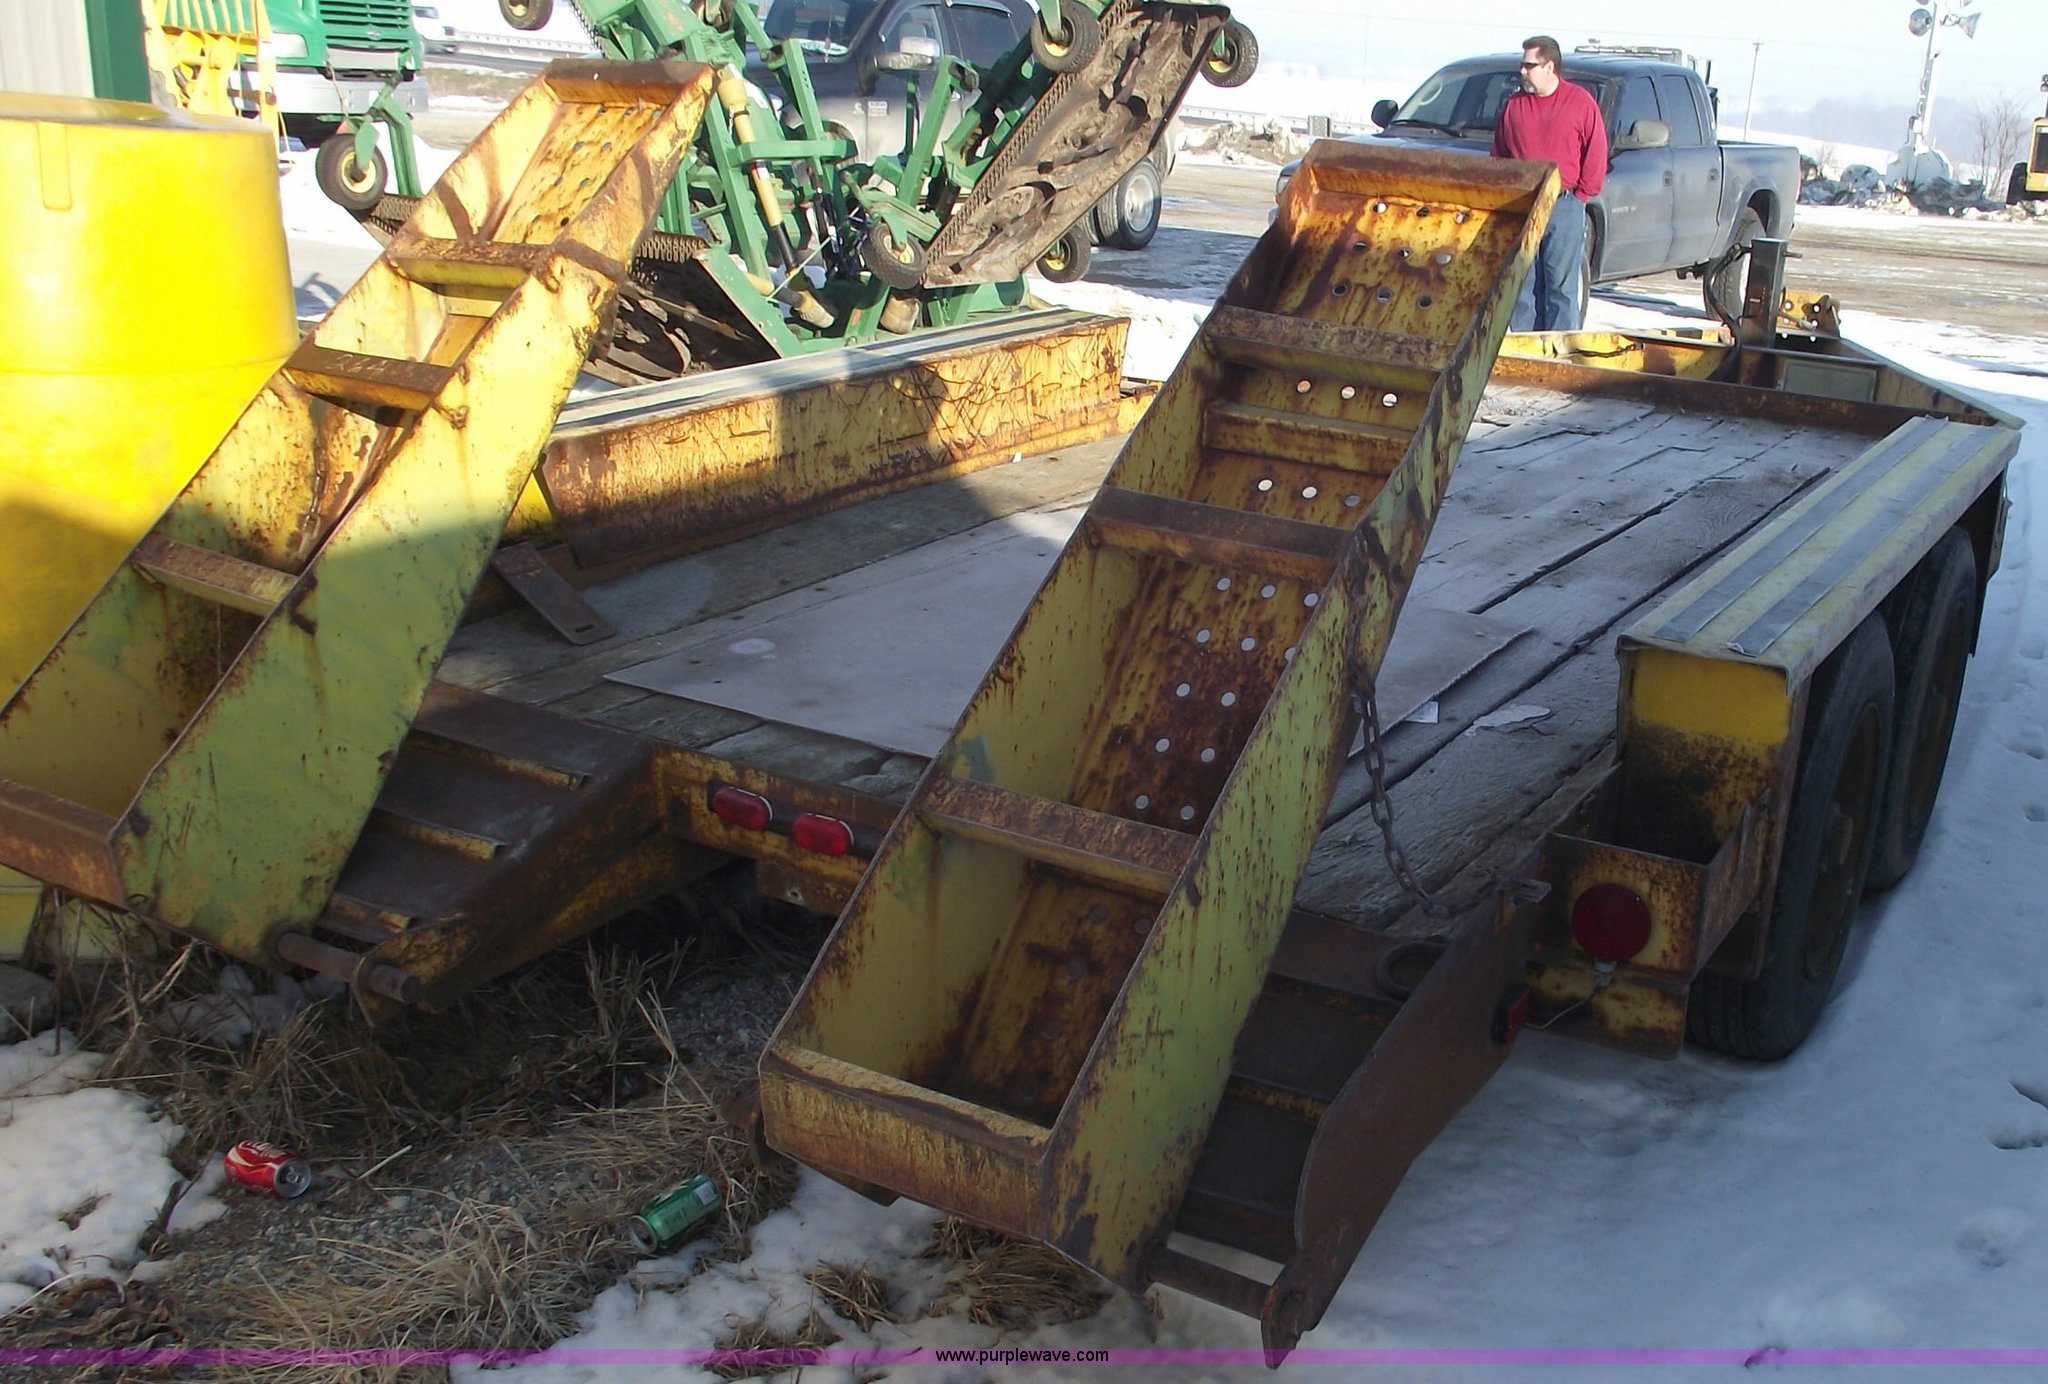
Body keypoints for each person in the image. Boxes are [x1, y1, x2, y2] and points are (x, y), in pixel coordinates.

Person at [1491, 36, 1608, 330]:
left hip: (1564, 204)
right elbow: (1500, 156)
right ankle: (1526, 347)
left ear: (1549, 66)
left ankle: (1560, 348)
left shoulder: (1580, 103)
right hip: (1523, 206)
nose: (1522, 71)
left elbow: (1596, 153)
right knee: (1522, 286)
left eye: (1529, 65)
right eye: (1522, 65)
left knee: (1560, 287)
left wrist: (1581, 195)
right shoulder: (1514, 106)